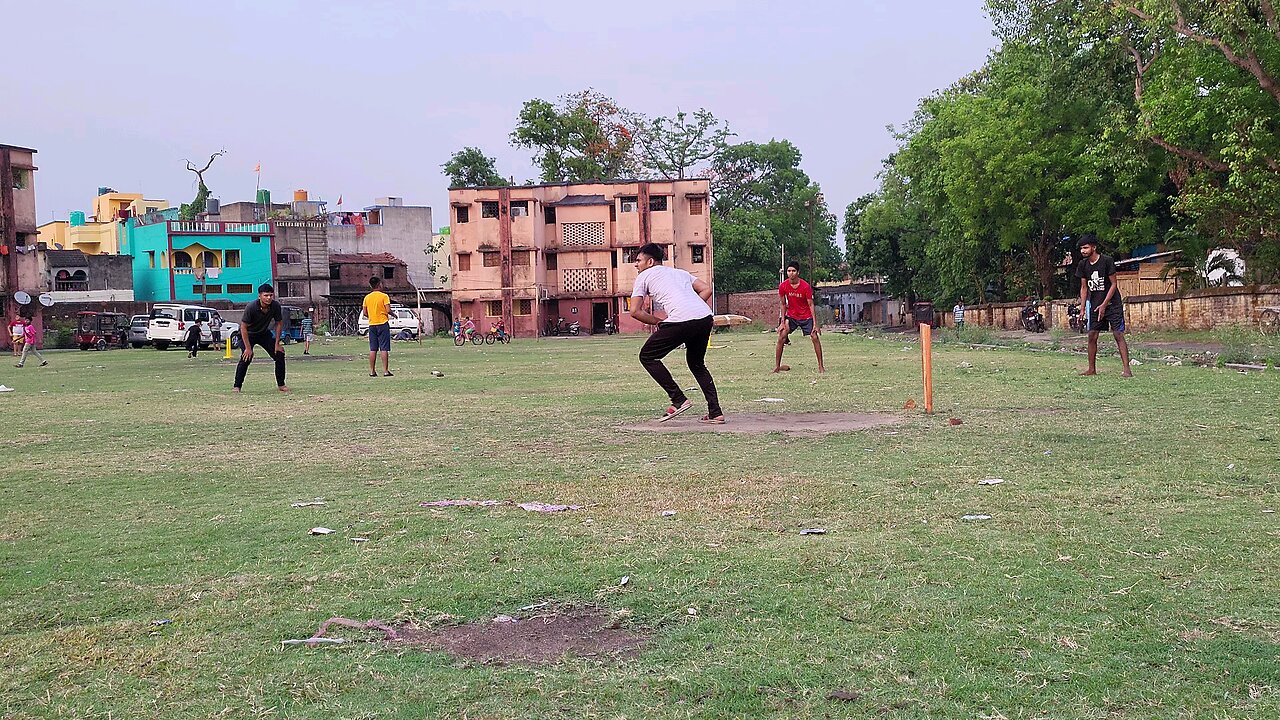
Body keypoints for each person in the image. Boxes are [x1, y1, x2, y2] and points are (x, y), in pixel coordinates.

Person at [629, 242, 724, 424]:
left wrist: (658, 322)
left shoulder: (644, 276)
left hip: (682, 319)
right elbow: (707, 289)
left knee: (647, 356)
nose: (636, 264)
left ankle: (678, 399)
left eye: (638, 260)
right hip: (705, 317)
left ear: (650, 262)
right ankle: (715, 412)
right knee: (696, 364)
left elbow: (635, 311)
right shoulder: (680, 272)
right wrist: (692, 306)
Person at [1075, 235, 1132, 377]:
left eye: (1086, 247)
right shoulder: (1083, 265)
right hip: (1094, 305)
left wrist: (1104, 304)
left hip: (1112, 304)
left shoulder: (1107, 261)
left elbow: (1114, 284)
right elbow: (1084, 288)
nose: (1083, 250)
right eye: (1082, 248)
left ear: (1094, 247)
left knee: (1118, 334)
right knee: (1092, 336)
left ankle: (1127, 369)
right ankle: (1091, 369)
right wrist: (1082, 309)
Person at [233, 283, 289, 392]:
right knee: (246, 357)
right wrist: (248, 348)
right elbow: (243, 327)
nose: (268, 298)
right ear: (259, 296)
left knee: (279, 354)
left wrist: (277, 344)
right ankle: (237, 386)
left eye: (270, 295)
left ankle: (281, 385)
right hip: (248, 334)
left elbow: (278, 323)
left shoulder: (275, 306)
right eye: (266, 295)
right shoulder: (251, 307)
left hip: (263, 333)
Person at [774, 261, 825, 373]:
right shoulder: (783, 286)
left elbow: (811, 304)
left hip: (806, 316)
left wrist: (816, 324)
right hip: (792, 316)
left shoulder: (805, 286)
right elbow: (783, 304)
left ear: (798, 272)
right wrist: (782, 322)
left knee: (814, 337)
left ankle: (821, 366)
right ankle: (777, 367)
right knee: (782, 335)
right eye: (789, 271)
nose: (791, 273)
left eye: (793, 271)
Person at [363, 276, 392, 377]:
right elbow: (388, 310)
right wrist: (393, 314)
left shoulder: (367, 297)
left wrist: (372, 316)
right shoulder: (384, 296)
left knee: (373, 348)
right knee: (384, 348)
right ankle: (385, 371)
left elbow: (365, 313)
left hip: (372, 325)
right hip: (382, 323)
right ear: (379, 284)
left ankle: (372, 371)